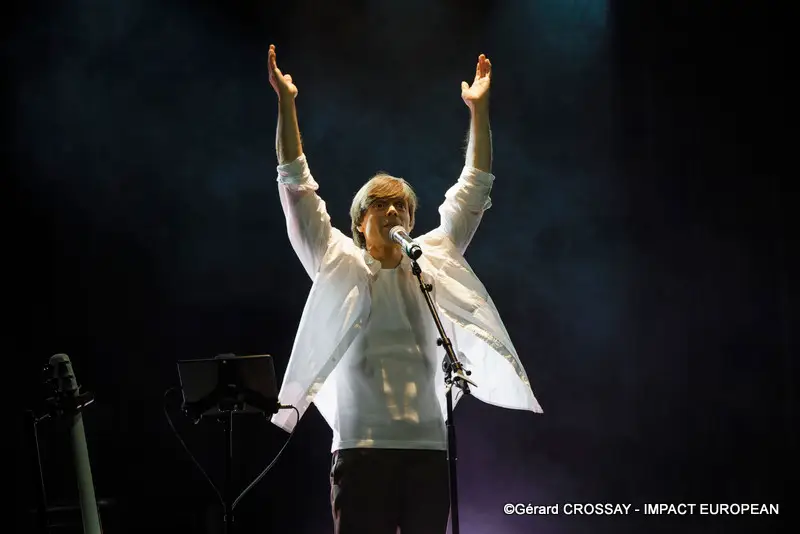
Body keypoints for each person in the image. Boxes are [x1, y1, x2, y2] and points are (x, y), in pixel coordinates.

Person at [266, 44, 542, 534]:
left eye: (402, 208)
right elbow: (295, 186)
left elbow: (474, 187)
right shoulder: (336, 261)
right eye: (381, 206)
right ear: (359, 223)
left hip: (428, 450)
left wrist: (479, 112)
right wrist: (286, 105)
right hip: (360, 447)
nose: (394, 213)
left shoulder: (431, 260)